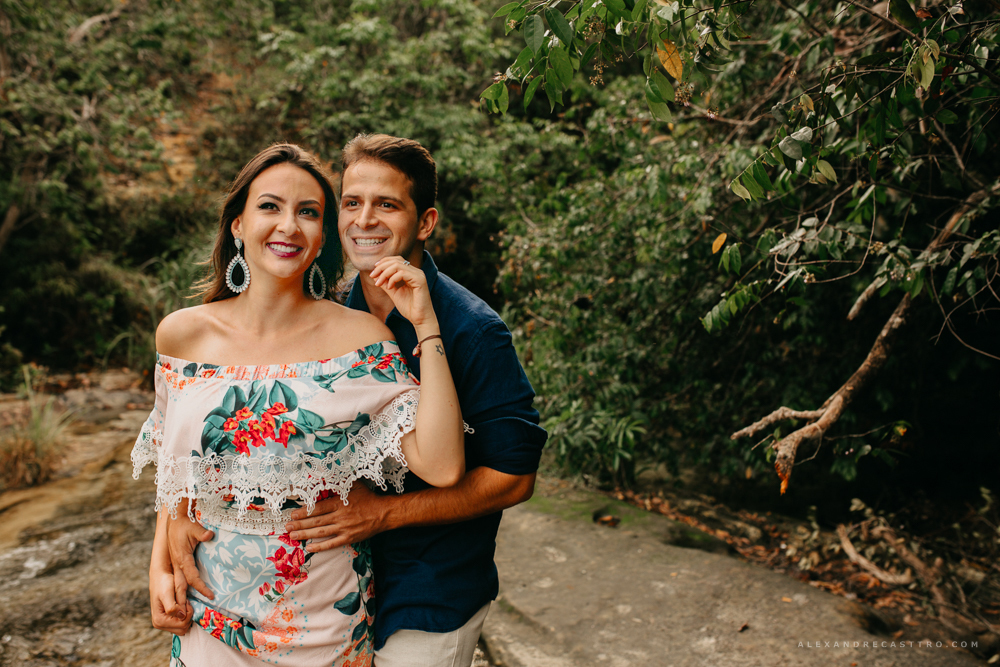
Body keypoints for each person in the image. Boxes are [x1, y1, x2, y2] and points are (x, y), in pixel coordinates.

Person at [132, 142, 466, 666]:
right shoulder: (181, 335)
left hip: (321, 617)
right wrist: (159, 566)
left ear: (321, 237)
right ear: (238, 223)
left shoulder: (361, 339)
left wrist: (426, 326)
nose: (288, 225)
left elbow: (443, 465)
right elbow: (176, 471)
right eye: (270, 206)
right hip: (208, 609)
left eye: (307, 212)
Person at [283, 134, 548, 667]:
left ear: (425, 222)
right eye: (352, 203)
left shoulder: (474, 330)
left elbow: (515, 477)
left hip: (433, 593)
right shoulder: (331, 311)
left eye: (387, 205)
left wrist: (382, 515)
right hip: (338, 587)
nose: (365, 220)